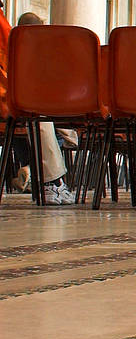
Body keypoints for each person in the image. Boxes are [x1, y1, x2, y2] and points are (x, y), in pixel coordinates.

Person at [8, 11, 75, 204]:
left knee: (26, 123)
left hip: (12, 113)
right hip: (36, 112)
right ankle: (50, 181)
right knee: (47, 122)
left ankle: (31, 169)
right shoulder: (44, 56)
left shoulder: (10, 49)